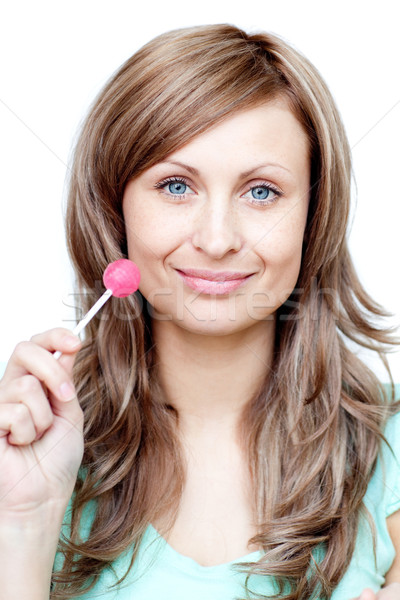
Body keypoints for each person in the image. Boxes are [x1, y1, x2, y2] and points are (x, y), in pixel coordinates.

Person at [0, 23, 399, 600]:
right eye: (175, 186)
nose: (216, 240)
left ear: (315, 216)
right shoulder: (25, 442)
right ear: (116, 209)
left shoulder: (389, 448)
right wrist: (23, 524)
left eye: (261, 191)